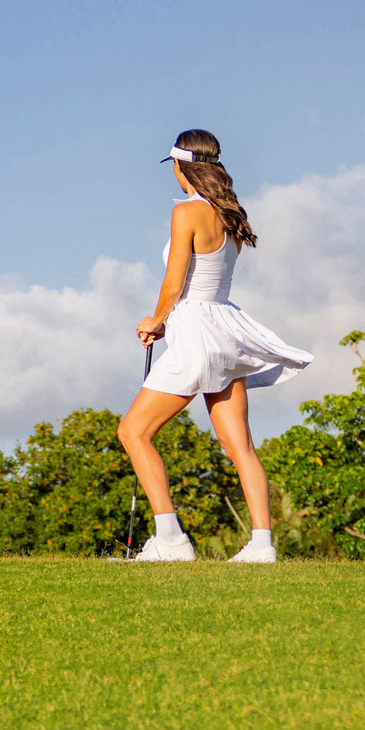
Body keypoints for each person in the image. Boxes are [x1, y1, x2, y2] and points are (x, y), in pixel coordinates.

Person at [119, 129, 313, 563]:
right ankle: (262, 545)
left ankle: (171, 540)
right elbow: (204, 282)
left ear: (181, 166)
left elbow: (175, 283)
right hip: (225, 330)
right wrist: (168, 321)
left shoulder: (186, 212)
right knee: (240, 446)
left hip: (195, 332)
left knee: (134, 431)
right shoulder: (230, 215)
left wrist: (156, 320)